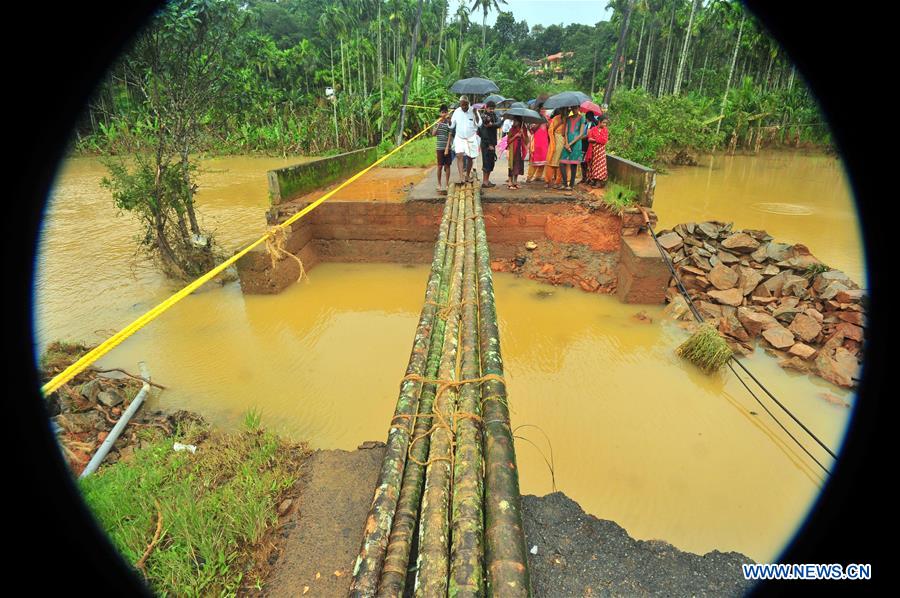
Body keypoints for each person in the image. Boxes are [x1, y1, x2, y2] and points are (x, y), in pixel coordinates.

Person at [447, 95, 481, 183]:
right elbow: (451, 125)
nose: (464, 107)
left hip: (471, 137)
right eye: (462, 105)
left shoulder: (474, 110)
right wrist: (449, 121)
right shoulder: (457, 112)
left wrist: (475, 114)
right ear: (460, 104)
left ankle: (467, 175)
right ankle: (461, 177)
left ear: (468, 103)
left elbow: (479, 124)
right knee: (459, 156)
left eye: (465, 105)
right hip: (460, 138)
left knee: (470, 157)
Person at [559, 109, 587, 193]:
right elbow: (566, 132)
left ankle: (571, 185)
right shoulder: (568, 118)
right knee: (562, 162)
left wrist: (570, 144)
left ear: (578, 108)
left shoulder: (582, 118)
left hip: (576, 143)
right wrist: (567, 143)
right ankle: (565, 183)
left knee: (573, 164)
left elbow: (581, 134)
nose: (574, 109)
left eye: (575, 107)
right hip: (568, 142)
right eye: (573, 107)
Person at [478, 100, 501, 188]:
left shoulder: (494, 115)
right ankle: (485, 182)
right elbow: (483, 132)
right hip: (486, 143)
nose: (491, 110)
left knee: (491, 162)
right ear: (486, 108)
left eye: (493, 109)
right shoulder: (483, 117)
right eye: (490, 109)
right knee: (486, 162)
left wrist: (492, 125)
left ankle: (487, 180)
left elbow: (499, 123)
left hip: (492, 142)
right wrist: (489, 144)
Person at [432, 104, 454, 194]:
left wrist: (447, 148)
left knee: (447, 165)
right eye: (442, 112)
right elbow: (433, 134)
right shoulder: (437, 123)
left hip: (447, 147)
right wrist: (438, 124)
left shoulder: (449, 123)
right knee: (439, 166)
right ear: (440, 113)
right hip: (439, 147)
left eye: (445, 112)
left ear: (447, 113)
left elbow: (450, 136)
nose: (444, 114)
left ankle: (447, 184)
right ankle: (439, 184)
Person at [544, 108, 565, 189]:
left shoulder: (567, 119)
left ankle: (558, 181)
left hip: (563, 141)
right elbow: (550, 130)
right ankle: (548, 181)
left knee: (560, 162)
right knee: (552, 161)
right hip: (555, 141)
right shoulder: (556, 118)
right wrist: (559, 123)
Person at [506, 116, 528, 190]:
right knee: (511, 164)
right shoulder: (512, 129)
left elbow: (526, 141)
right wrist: (516, 136)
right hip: (513, 149)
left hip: (520, 149)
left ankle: (515, 181)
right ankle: (510, 182)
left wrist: (522, 134)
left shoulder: (523, 129)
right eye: (513, 121)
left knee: (518, 165)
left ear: (519, 122)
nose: (514, 122)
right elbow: (508, 141)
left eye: (515, 121)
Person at [587, 114, 609, 188]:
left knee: (600, 166)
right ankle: (594, 180)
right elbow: (589, 139)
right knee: (593, 165)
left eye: (606, 123)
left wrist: (595, 139)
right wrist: (598, 139)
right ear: (599, 122)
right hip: (594, 150)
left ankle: (599, 182)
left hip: (601, 151)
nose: (605, 124)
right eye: (603, 122)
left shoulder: (605, 130)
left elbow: (604, 141)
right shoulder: (593, 129)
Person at [525, 116, 549, 184]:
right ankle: (529, 177)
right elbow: (532, 130)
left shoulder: (546, 118)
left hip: (544, 142)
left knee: (543, 160)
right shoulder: (533, 118)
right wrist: (540, 122)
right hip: (536, 142)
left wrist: (547, 122)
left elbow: (549, 128)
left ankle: (538, 176)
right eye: (542, 110)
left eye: (544, 110)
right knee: (534, 160)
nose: (543, 111)